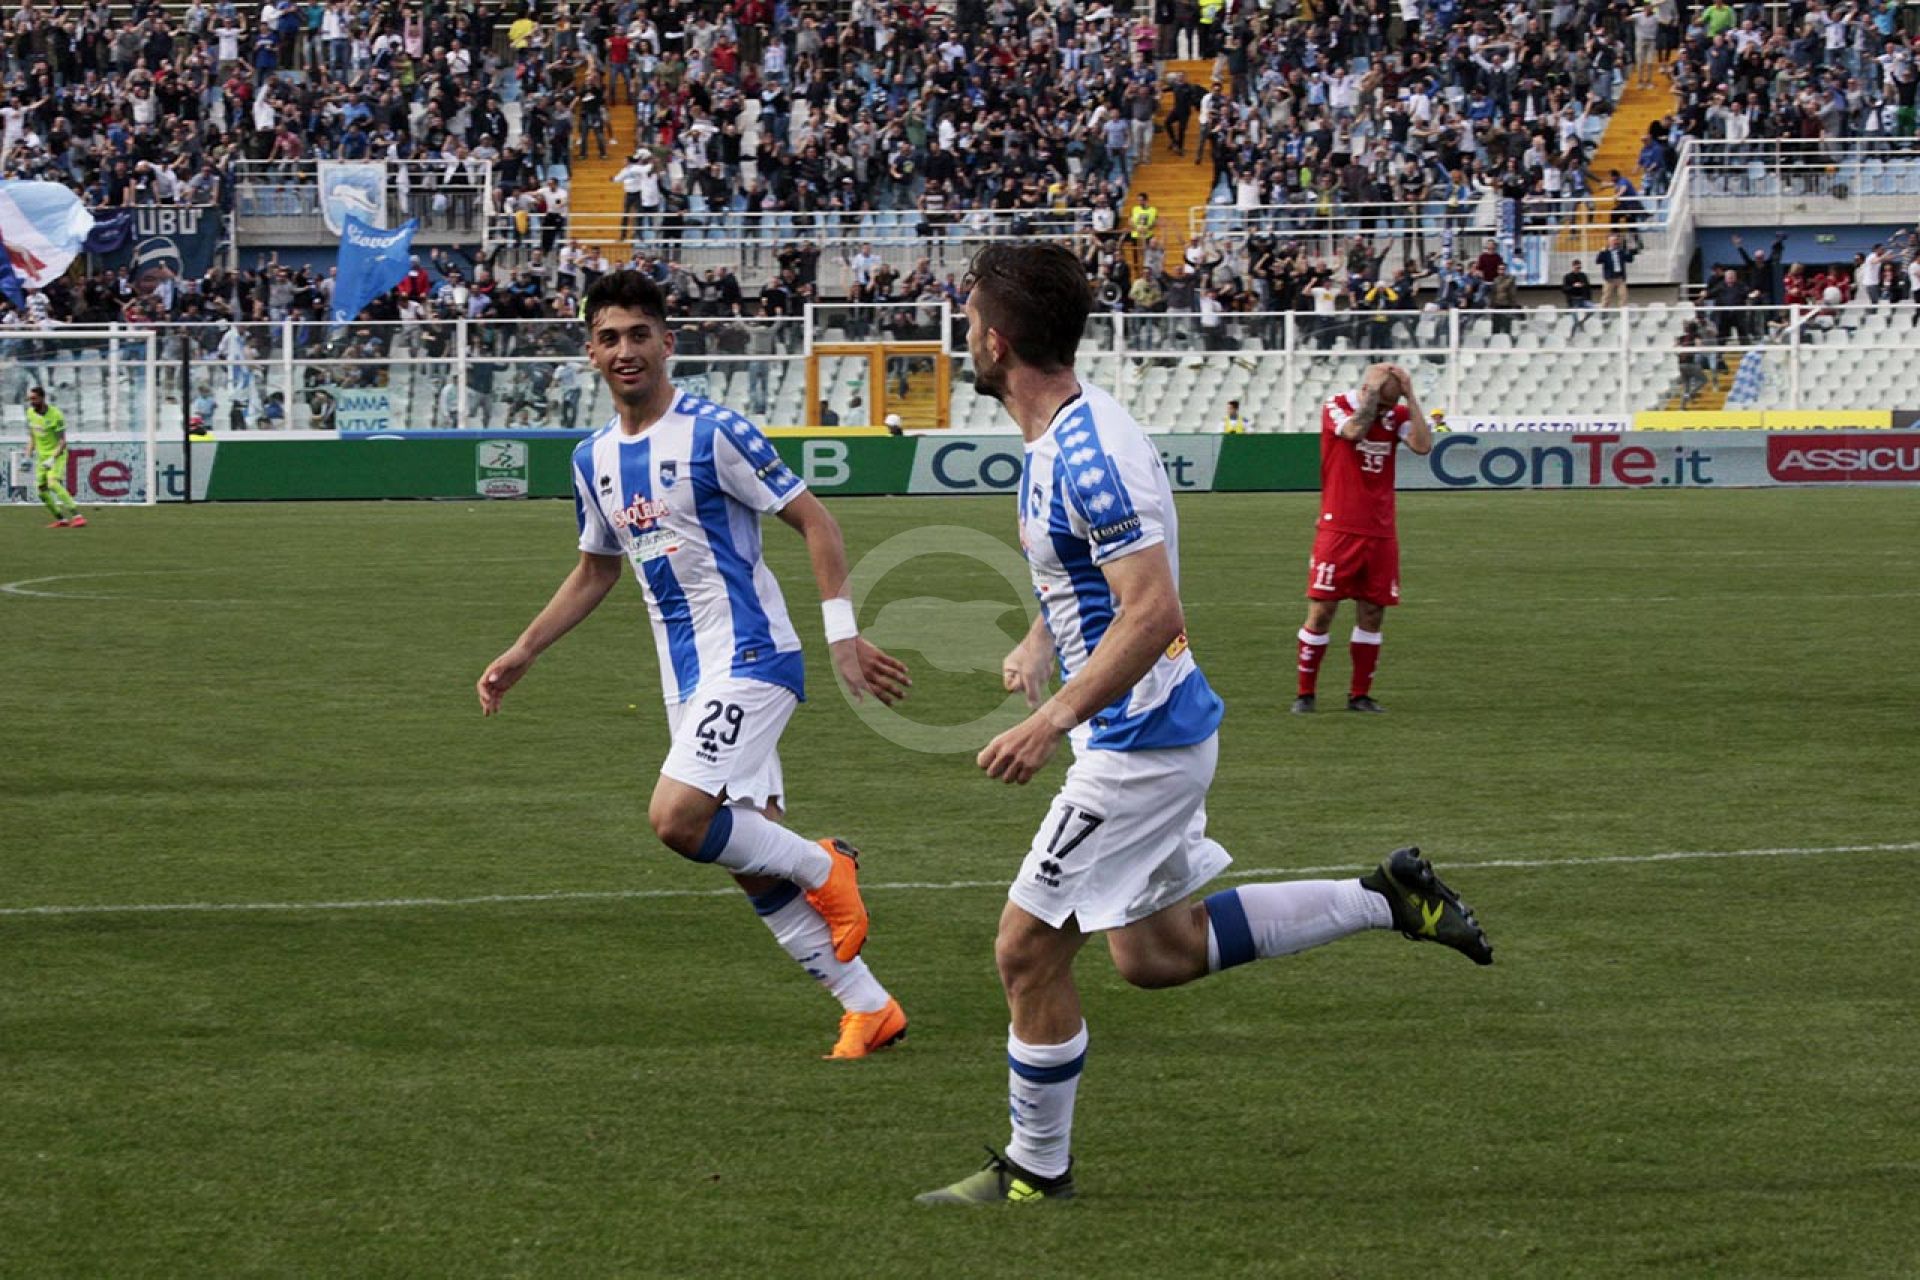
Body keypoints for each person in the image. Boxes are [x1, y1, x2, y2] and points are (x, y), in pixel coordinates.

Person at [916, 244, 1492, 1207]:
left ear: (997, 340)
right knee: (1156, 954)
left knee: (1026, 948)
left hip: (1137, 744)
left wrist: (1051, 718)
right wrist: (1041, 638)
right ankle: (1385, 898)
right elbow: (1091, 576)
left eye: (969, 317)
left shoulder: (1087, 451)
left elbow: (1151, 611)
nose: (963, 332)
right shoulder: (1065, 435)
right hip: (1148, 727)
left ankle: (1035, 1170)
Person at [476, 271, 915, 1061]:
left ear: (667, 343)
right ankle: (868, 1006)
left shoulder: (715, 432)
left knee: (677, 819)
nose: (625, 350)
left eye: (639, 335)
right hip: (685, 678)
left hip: (753, 655)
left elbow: (815, 520)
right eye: (609, 338)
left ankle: (827, 866)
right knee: (749, 857)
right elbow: (596, 570)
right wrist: (523, 649)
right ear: (591, 354)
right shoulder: (592, 458)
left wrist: (842, 634)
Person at [1292, 363, 1434, 715]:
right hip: (1338, 527)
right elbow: (1354, 431)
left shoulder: (1397, 414)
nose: (1388, 411)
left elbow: (1422, 445)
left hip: (1380, 530)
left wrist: (1410, 397)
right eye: (1384, 404)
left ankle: (1359, 696)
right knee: (1322, 610)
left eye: (1391, 405)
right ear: (1369, 391)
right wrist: (1373, 399)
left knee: (1372, 613)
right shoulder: (1337, 405)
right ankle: (1305, 694)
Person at [26, 386, 85, 528]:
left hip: (57, 455)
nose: (31, 402)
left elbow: (62, 442)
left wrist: (52, 458)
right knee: (41, 491)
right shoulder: (30, 413)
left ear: (42, 398)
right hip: (42, 457)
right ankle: (61, 519)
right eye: (30, 399)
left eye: (34, 399)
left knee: (52, 483)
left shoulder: (56, 415)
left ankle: (77, 516)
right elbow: (33, 437)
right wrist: (27, 456)